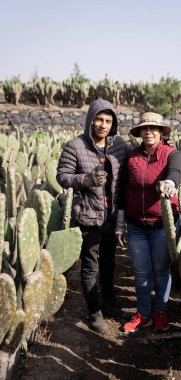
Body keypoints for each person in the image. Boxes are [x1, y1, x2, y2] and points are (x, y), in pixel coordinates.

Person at [56, 99, 131, 334]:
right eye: (99, 119)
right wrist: (86, 179)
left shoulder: (120, 146)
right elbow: (62, 176)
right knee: (90, 266)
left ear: (113, 124)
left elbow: (134, 165)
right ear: (91, 120)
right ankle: (94, 312)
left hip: (112, 215)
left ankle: (109, 303)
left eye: (108, 121)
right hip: (89, 215)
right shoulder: (75, 146)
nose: (103, 124)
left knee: (109, 264)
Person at [123, 111, 181, 333]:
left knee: (161, 270)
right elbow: (124, 188)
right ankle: (144, 314)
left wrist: (170, 183)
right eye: (144, 128)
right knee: (141, 272)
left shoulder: (171, 154)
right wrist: (121, 218)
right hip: (136, 224)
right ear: (139, 132)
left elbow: (175, 172)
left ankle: (160, 312)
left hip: (162, 224)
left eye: (153, 128)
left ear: (160, 132)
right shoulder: (132, 156)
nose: (149, 132)